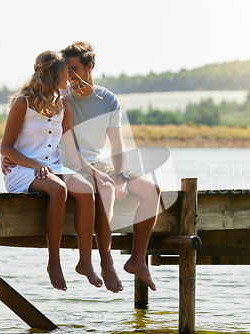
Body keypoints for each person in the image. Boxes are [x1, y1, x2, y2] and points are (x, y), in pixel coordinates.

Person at [0, 50, 122, 293]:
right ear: (54, 75)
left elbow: (71, 151)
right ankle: (53, 262)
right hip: (23, 169)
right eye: (66, 73)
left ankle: (85, 262)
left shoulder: (63, 105)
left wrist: (94, 172)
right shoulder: (22, 103)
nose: (70, 78)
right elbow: (6, 148)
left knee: (87, 189)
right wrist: (33, 164)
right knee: (58, 189)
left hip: (53, 168)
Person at [58, 42, 161, 291]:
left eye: (74, 69)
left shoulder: (108, 100)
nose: (69, 76)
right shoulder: (61, 97)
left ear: (89, 67)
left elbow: (117, 146)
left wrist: (122, 175)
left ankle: (137, 260)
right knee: (107, 191)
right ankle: (106, 262)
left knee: (152, 191)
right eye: (66, 70)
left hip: (99, 163)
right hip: (71, 165)